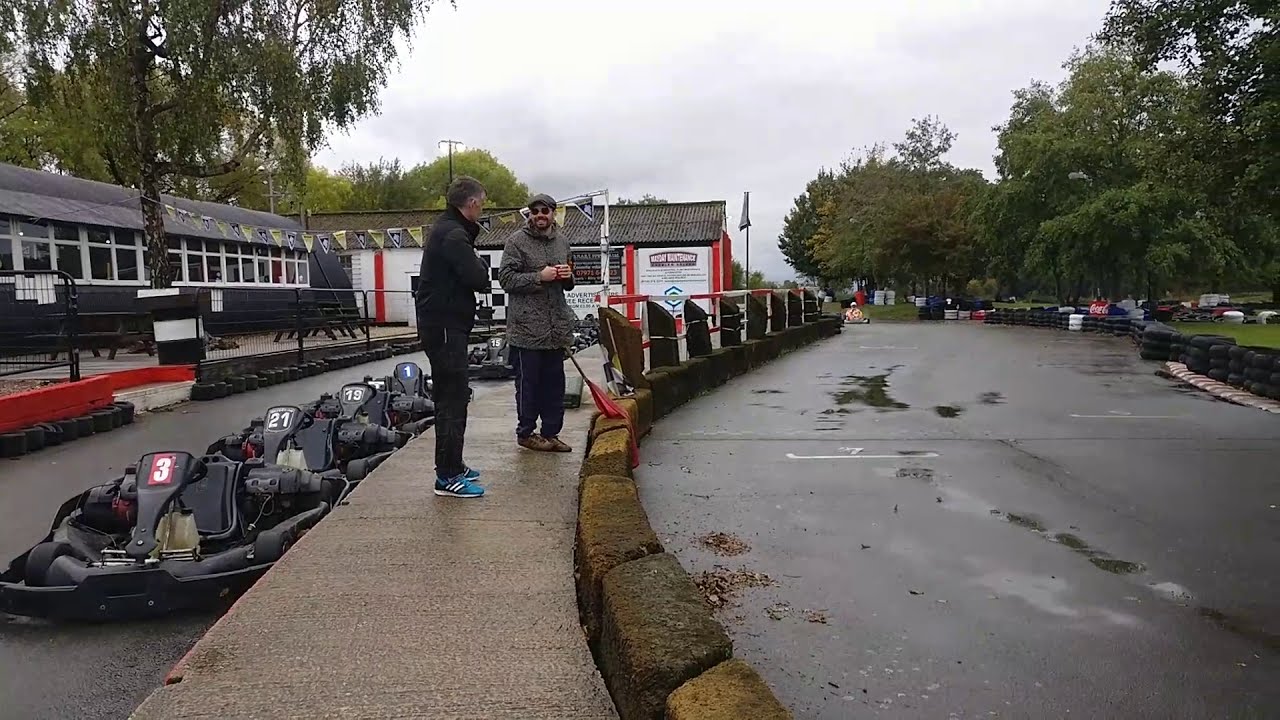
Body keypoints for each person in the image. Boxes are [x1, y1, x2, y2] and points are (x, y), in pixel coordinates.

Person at [417, 176, 491, 498]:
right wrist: (481, 267)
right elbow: (478, 278)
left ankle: (454, 464)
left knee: (455, 396)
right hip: (446, 327)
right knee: (451, 399)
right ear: (472, 203)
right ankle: (447, 476)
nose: (482, 208)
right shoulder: (454, 235)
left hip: (444, 324)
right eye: (482, 203)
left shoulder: (449, 229)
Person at [498, 193, 577, 452]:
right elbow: (506, 280)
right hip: (527, 330)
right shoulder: (515, 242)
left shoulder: (563, 242)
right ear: (529, 215)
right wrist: (538, 277)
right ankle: (526, 433)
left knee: (555, 386)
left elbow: (569, 283)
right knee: (528, 385)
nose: (540, 215)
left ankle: (551, 433)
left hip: (556, 329)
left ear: (553, 214)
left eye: (545, 211)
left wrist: (568, 276)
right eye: (535, 211)